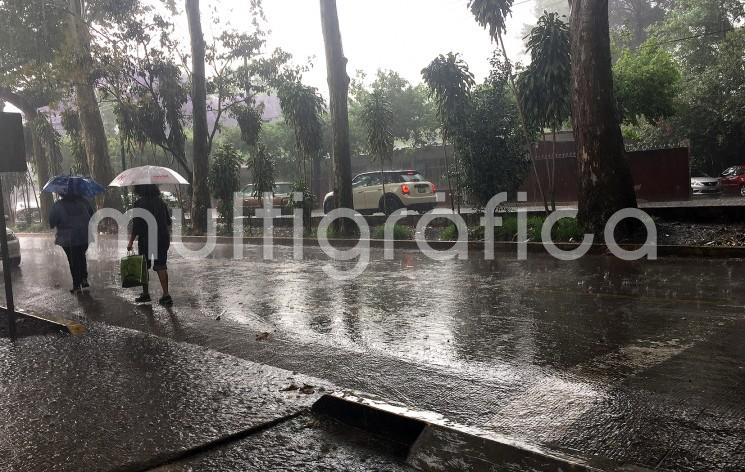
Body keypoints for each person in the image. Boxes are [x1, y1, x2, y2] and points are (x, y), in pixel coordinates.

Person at [127, 184, 173, 306]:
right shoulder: (161, 203)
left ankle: (146, 294)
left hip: (146, 239)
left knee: (144, 266)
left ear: (140, 189)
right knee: (161, 266)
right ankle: (166, 295)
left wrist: (131, 241)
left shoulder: (138, 204)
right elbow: (168, 222)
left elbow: (136, 226)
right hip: (162, 238)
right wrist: (168, 237)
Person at [49, 193, 95, 294]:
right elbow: (92, 215)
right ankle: (84, 279)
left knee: (73, 260)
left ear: (61, 193)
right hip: (84, 235)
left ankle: (77, 284)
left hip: (68, 238)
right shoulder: (84, 201)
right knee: (81, 256)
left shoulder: (58, 205)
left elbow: (52, 223)